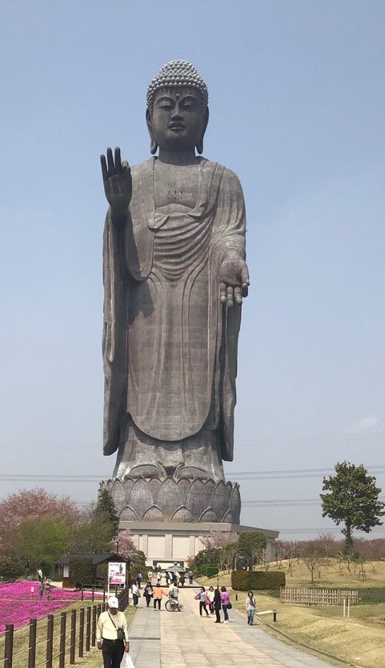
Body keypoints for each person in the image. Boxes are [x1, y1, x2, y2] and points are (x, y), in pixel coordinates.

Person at [100, 60, 248, 486]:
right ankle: (137, 455)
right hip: (145, 297)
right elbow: (123, 256)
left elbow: (227, 234)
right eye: (166, 106)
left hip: (200, 297)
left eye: (188, 106)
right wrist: (119, 211)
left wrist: (232, 260)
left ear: (205, 119)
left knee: (201, 369)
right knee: (142, 372)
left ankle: (201, 456)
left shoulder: (224, 179)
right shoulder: (137, 179)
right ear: (150, 120)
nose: (177, 114)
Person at [96, 596, 130, 668]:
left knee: (116, 665)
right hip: (107, 643)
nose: (114, 610)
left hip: (118, 643)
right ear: (108, 606)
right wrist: (98, 640)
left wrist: (127, 643)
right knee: (107, 665)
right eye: (112, 608)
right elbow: (99, 628)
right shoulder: (103, 616)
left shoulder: (121, 615)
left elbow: (125, 630)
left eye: (115, 608)